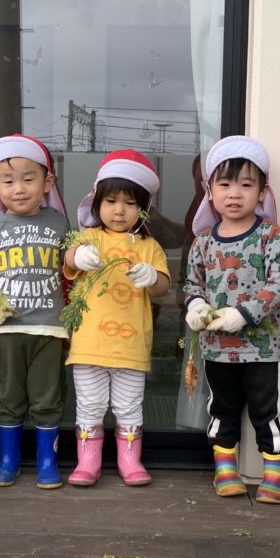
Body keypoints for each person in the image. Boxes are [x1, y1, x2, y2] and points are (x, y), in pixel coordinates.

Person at [183, 135, 280, 502]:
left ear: (262, 191)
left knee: (268, 410)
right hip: (216, 348)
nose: (234, 193)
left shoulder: (271, 236)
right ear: (209, 191)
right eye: (225, 184)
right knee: (221, 408)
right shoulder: (202, 242)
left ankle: (275, 475)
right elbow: (192, 284)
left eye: (246, 185)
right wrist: (196, 307)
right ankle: (225, 469)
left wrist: (243, 314)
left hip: (264, 349)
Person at [0, 134, 70, 489]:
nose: (19, 188)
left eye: (29, 179)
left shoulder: (59, 224)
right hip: (7, 330)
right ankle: (8, 461)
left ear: (47, 182)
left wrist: (71, 320)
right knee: (9, 397)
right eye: (8, 181)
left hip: (49, 330)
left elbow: (69, 275)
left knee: (47, 398)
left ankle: (47, 463)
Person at [63, 150, 171, 486]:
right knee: (90, 405)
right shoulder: (88, 237)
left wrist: (152, 277)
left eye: (130, 203)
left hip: (131, 346)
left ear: (144, 207)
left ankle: (130, 462)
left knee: (129, 407)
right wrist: (78, 255)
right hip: (89, 345)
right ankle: (87, 463)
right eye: (111, 201)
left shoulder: (149, 246)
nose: (119, 210)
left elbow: (163, 287)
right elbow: (68, 260)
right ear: (96, 200)